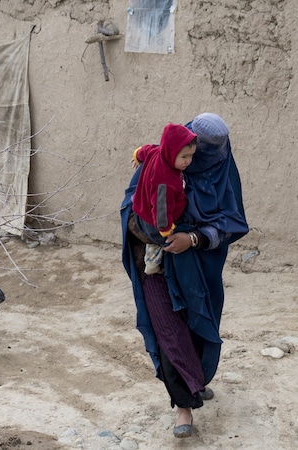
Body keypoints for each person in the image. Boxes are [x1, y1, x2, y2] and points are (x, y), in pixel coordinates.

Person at [121, 113, 249, 438]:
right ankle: (183, 407)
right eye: (191, 151)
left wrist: (193, 238)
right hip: (158, 264)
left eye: (201, 153)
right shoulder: (166, 157)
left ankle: (195, 380)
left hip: (201, 268)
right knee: (170, 330)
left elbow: (233, 220)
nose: (193, 160)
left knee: (198, 328)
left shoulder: (221, 171)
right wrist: (154, 233)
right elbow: (130, 204)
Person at [130, 123, 198, 275]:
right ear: (171, 153)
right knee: (172, 242)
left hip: (142, 210)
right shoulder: (165, 180)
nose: (188, 161)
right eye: (184, 157)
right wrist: (165, 229)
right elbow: (161, 207)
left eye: (191, 156)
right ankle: (153, 262)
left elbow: (144, 150)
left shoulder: (157, 151)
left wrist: (136, 155)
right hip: (154, 223)